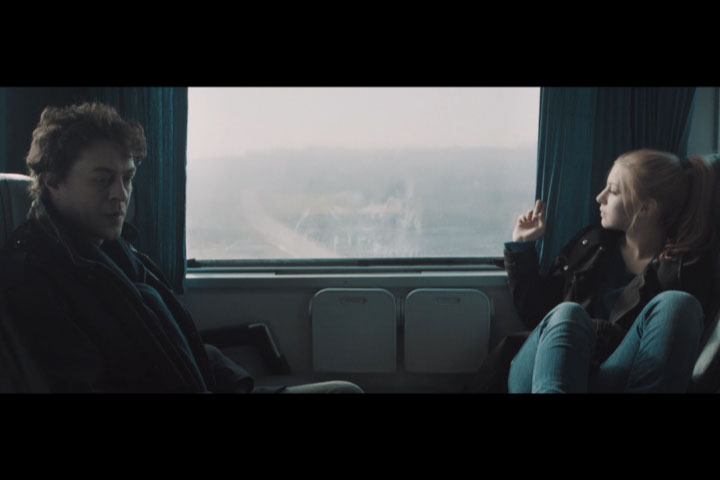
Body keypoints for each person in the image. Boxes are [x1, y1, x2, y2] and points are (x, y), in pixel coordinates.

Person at [0, 102, 362, 393]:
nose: (120, 195)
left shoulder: (117, 253)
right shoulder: (31, 280)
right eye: (102, 180)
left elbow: (182, 345)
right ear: (53, 180)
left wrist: (238, 385)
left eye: (128, 178)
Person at [480, 149, 716, 393]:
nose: (599, 197)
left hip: (614, 375)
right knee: (568, 314)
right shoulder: (590, 244)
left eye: (613, 191)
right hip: (548, 366)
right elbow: (537, 313)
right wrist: (522, 247)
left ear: (646, 208)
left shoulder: (680, 272)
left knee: (678, 304)